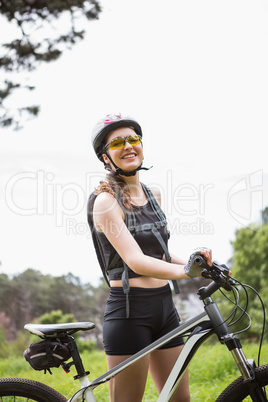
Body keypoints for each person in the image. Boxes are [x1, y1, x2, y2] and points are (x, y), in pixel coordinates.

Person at [87, 113, 212, 402]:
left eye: (133, 139)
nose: (128, 145)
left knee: (179, 399)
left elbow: (161, 255)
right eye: (117, 142)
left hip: (165, 308)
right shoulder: (106, 203)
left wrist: (203, 267)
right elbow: (136, 260)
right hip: (130, 313)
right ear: (105, 157)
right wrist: (186, 272)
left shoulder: (152, 193)